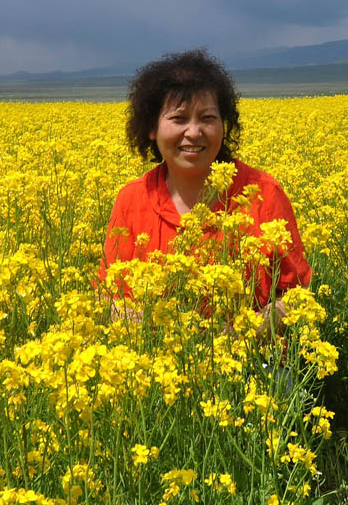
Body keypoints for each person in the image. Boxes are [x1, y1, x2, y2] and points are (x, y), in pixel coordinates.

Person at [98, 49, 311, 329]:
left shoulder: (263, 192)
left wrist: (239, 334)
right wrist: (162, 331)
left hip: (256, 363)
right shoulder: (132, 199)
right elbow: (109, 297)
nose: (194, 132)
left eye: (207, 118)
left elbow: (296, 295)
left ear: (224, 125)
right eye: (179, 118)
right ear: (152, 128)